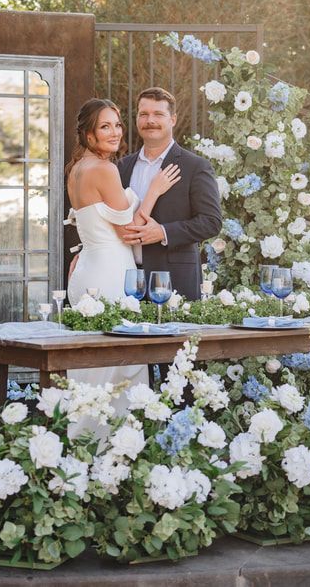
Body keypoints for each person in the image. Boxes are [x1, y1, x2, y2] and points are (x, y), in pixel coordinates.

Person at [64, 98, 181, 392]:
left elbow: (93, 225)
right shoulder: (105, 169)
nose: (115, 132)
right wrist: (153, 190)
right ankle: (109, 436)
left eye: (117, 125)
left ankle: (81, 434)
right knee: (116, 369)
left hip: (86, 271)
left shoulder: (76, 168)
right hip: (109, 275)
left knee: (89, 372)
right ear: (89, 135)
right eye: (105, 127)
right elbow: (129, 231)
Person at [118, 87, 223, 301]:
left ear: (172, 119)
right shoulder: (122, 166)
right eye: (144, 114)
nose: (150, 120)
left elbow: (211, 222)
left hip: (174, 278)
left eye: (158, 114)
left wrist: (163, 232)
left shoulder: (195, 166)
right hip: (124, 277)